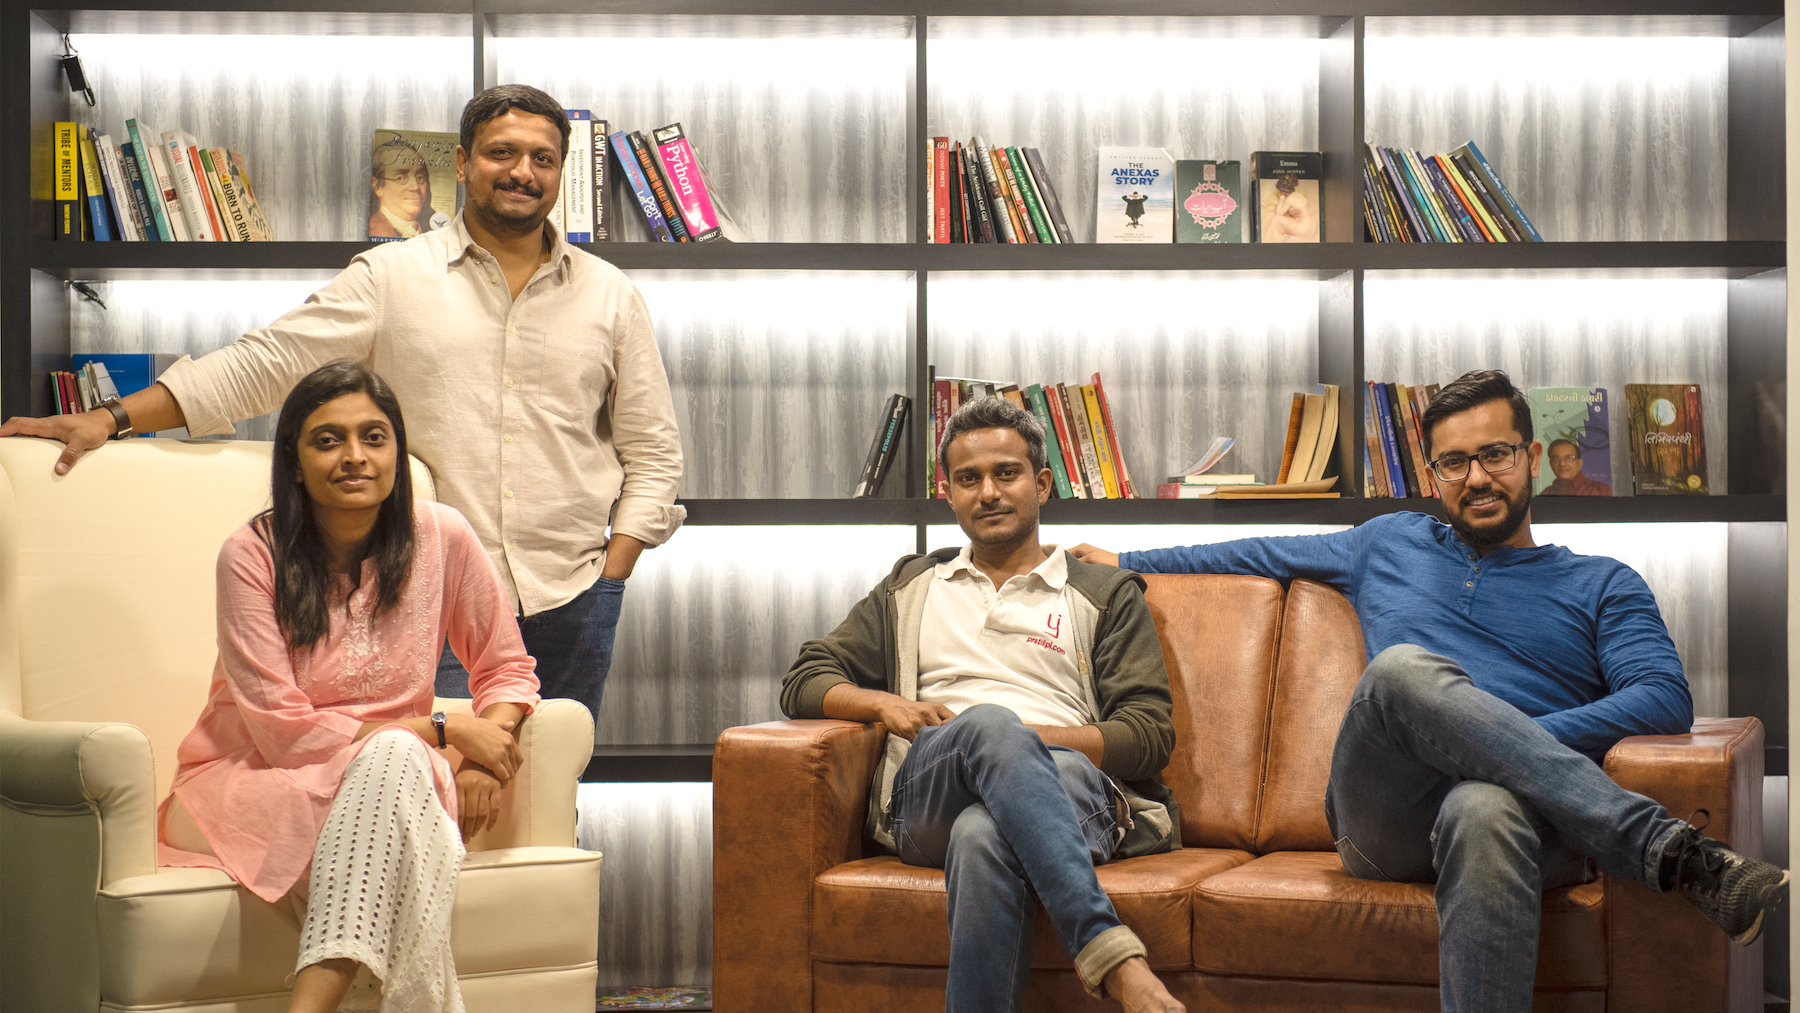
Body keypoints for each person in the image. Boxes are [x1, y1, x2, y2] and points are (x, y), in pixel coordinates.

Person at [1069, 369, 1786, 1013]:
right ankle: (1667, 849)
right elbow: (1252, 552)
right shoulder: (1388, 541)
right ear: (1433, 472)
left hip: (1529, 820)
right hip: (1387, 816)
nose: (1476, 477)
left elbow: (1661, 697)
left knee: (1484, 803)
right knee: (1400, 671)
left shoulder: (1603, 583)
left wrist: (1496, 750)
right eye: (1453, 462)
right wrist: (1126, 557)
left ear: (1533, 458)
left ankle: (1654, 847)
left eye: (1495, 454)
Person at [1, 84, 683, 721]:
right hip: (427, 594)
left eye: (543, 158)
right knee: (433, 780)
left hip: (574, 596)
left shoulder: (611, 295)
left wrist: (613, 570)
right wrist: (111, 417)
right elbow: (265, 363)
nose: (522, 172)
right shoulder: (391, 277)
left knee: (550, 784)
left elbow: (653, 449)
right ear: (462, 162)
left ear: (560, 171)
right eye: (502, 152)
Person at [158, 360, 541, 1013]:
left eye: (374, 436)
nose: (355, 456)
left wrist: (485, 753)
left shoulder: (442, 535)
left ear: (397, 451)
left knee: (393, 760)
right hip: (255, 779)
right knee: (397, 759)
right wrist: (442, 729)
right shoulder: (252, 554)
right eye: (328, 440)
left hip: (395, 777)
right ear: (294, 461)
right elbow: (283, 732)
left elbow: (506, 667)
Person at [782, 397, 1185, 1013]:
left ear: (1042, 484)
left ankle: (1098, 948)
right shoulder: (913, 587)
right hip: (931, 789)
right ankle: (1109, 952)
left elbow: (1148, 736)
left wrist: (1017, 743)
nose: (989, 492)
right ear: (949, 494)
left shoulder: (1105, 594)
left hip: (1070, 785)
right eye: (969, 479)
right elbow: (804, 679)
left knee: (981, 830)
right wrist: (884, 704)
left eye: (1007, 473)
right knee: (988, 728)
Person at [368, 134, 438, 239]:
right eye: (400, 178)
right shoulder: (371, 229)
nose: (415, 186)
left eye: (420, 177)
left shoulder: (434, 232)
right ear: (378, 187)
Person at [1541, 437, 1613, 496]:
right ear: (1551, 464)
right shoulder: (1546, 494)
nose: (1562, 463)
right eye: (1556, 459)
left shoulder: (1601, 490)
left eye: (1569, 458)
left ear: (1579, 463)